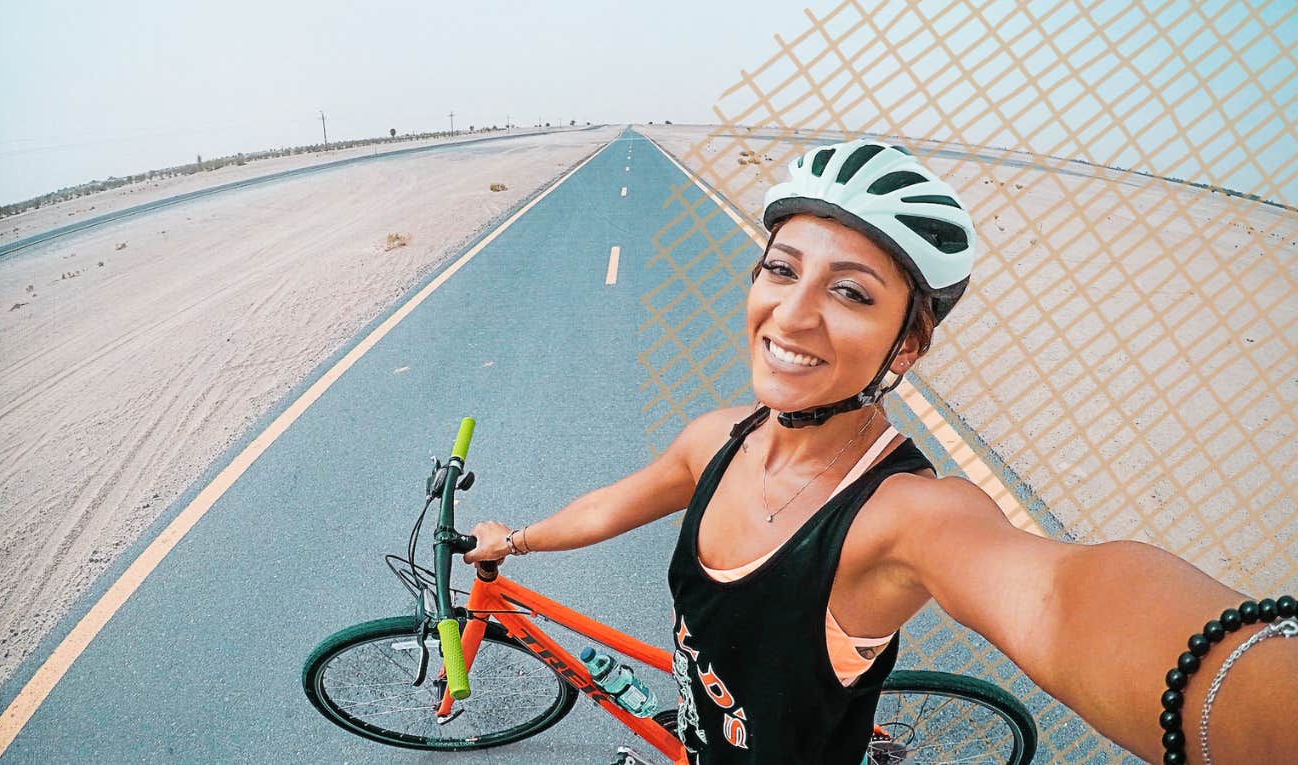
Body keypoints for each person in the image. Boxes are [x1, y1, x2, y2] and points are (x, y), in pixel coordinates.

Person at [465, 139, 1297, 764]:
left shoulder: (904, 517)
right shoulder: (716, 438)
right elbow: (617, 500)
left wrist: (1261, 693)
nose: (791, 316)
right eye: (781, 269)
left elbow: (1062, 598)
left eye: (851, 292)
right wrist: (520, 539)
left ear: (906, 346)